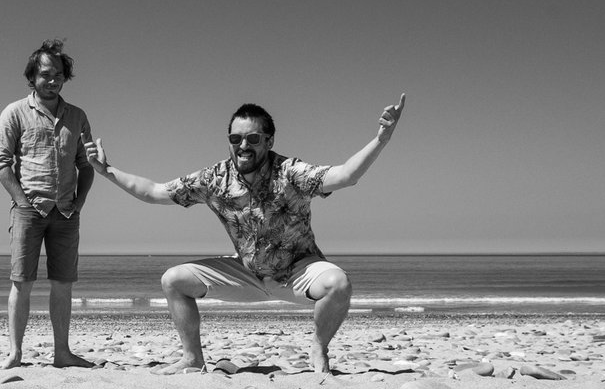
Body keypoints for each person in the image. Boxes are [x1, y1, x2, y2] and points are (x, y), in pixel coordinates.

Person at [84, 95, 406, 374]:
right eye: (235, 138)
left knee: (339, 283)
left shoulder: (289, 172)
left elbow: (346, 175)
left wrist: (381, 139)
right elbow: (154, 192)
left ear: (269, 141)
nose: (243, 146)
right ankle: (192, 359)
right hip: (247, 274)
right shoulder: (215, 179)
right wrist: (107, 171)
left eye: (252, 138)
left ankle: (319, 348)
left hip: (297, 273)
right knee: (174, 280)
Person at [0, 39, 97, 369]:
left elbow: (86, 165)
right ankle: (15, 353)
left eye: (59, 75)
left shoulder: (77, 116)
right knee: (21, 283)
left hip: (66, 212)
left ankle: (62, 353)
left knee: (63, 285)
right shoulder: (14, 112)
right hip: (28, 210)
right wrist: (21, 201)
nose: (53, 81)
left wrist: (80, 202)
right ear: (32, 77)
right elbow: (0, 163)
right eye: (46, 74)